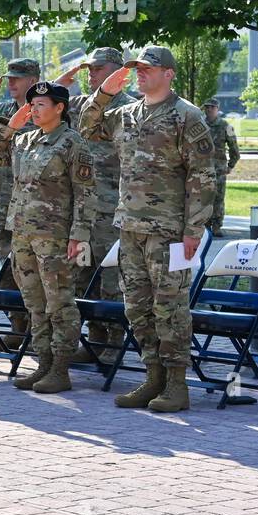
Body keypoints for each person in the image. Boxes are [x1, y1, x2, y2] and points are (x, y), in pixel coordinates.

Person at [78, 45, 216, 413]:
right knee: (137, 307)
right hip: (130, 227)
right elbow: (86, 125)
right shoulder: (126, 114)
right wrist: (105, 91)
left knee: (169, 307)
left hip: (169, 230)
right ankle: (152, 376)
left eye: (148, 69)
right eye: (137, 68)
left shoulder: (186, 116)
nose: (140, 73)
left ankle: (176, 384)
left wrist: (194, 229)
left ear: (168, 73)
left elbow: (203, 176)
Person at [0, 82, 95, 392]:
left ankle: (61, 369)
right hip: (22, 233)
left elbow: (85, 194)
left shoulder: (72, 143)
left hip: (55, 236)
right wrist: (10, 127)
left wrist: (79, 235)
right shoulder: (25, 140)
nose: (33, 110)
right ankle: (43, 364)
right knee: (35, 302)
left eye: (40, 105)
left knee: (59, 302)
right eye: (31, 105)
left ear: (59, 108)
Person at [52, 48, 135, 364]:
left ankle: (113, 347)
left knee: (111, 278)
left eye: (98, 69)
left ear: (117, 72)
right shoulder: (82, 103)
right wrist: (67, 76)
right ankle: (94, 341)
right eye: (89, 69)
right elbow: (44, 99)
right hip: (83, 210)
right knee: (80, 276)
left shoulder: (128, 108)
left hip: (112, 208)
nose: (91, 74)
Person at [0, 57, 40, 351]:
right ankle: (18, 328)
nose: (11, 83)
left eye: (18, 77)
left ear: (34, 80)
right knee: (8, 270)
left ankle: (40, 335)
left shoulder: (46, 111)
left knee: (35, 272)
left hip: (36, 208)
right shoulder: (1, 110)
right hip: (5, 204)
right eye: (9, 78)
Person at [202, 100, 239, 236]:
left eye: (212, 107)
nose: (209, 109)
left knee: (218, 198)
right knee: (203, 198)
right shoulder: (199, 125)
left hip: (219, 170)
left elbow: (234, 148)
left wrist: (230, 165)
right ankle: (205, 226)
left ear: (217, 109)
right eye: (207, 107)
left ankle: (216, 226)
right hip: (202, 169)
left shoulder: (226, 126)